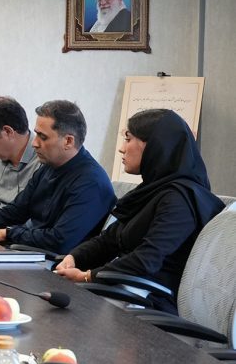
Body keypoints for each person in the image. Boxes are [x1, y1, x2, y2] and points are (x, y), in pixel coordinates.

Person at [54, 109, 224, 313]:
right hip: (123, 291)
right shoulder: (152, 190)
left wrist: (88, 276)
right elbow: (109, 239)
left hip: (147, 302)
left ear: (154, 145)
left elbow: (147, 260)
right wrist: (74, 258)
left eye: (128, 139)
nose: (121, 149)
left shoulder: (179, 199)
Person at [0, 100, 115, 254]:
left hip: (54, 268)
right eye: (36, 134)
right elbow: (13, 212)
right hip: (28, 253)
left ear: (68, 141)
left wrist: (8, 233)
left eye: (43, 137)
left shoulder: (91, 182)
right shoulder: (48, 168)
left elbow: (60, 241)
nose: (35, 143)